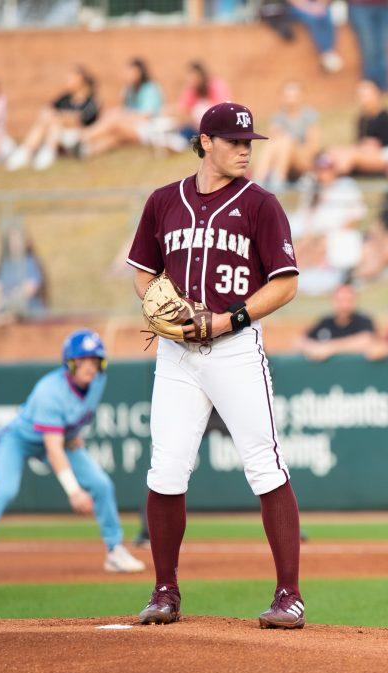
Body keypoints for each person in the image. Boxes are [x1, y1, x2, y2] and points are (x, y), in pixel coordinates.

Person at [126, 102, 305, 629]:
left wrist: (232, 319)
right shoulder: (164, 201)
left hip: (234, 350)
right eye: (233, 141)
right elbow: (142, 272)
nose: (245, 149)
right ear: (205, 142)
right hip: (178, 355)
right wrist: (160, 303)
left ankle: (289, 594)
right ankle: (164, 590)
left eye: (249, 142)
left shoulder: (261, 205)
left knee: (264, 463)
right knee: (166, 467)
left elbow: (287, 282)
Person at [0, 330, 145, 581]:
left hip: (62, 438)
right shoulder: (49, 392)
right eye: (83, 360)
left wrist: (72, 432)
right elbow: (53, 450)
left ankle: (115, 550)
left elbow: (74, 419)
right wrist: (73, 491)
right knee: (5, 490)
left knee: (101, 484)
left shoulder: (98, 381)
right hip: (19, 440)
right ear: (70, 362)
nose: (90, 366)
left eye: (95, 360)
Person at [6, 65, 99, 171]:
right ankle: (30, 151)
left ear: (81, 80)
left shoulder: (91, 101)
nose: (67, 81)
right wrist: (57, 117)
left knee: (54, 121)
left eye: (71, 79)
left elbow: (79, 120)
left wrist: (59, 117)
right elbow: (46, 111)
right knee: (49, 122)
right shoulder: (65, 98)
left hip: (77, 138)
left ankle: (28, 153)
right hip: (56, 132)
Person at [79, 58, 165, 159]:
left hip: (148, 129)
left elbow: (146, 116)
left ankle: (81, 137)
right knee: (114, 139)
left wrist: (123, 115)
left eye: (131, 72)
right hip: (133, 126)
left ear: (140, 72)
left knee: (114, 121)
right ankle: (85, 151)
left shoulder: (150, 89)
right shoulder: (130, 90)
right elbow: (125, 109)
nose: (128, 75)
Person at [254, 81, 321, 191]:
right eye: (287, 96)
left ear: (301, 97)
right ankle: (259, 180)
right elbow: (273, 142)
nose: (291, 99)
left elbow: (313, 148)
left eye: (294, 96)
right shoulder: (278, 117)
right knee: (272, 142)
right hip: (282, 159)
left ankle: (275, 181)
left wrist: (290, 143)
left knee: (286, 140)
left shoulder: (309, 116)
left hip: (303, 160)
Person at [328, 80, 388, 177]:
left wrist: (371, 145)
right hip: (366, 152)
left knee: (352, 155)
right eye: (361, 96)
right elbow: (360, 141)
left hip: (386, 153)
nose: (363, 100)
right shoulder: (362, 119)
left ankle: (338, 176)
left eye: (366, 96)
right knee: (334, 151)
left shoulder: (385, 116)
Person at [300, 282, 376, 360]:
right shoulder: (325, 321)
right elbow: (302, 341)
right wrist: (314, 349)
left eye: (348, 300)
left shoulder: (363, 320)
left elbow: (366, 340)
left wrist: (330, 348)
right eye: (340, 300)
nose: (344, 305)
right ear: (333, 301)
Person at [0, 228, 46, 317]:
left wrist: (4, 302)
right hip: (5, 309)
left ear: (26, 242)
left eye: (18, 240)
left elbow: (29, 289)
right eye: (12, 240)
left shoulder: (31, 262)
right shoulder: (5, 264)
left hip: (27, 308)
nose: (15, 243)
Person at [288, 0, 344, 74]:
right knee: (313, 18)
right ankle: (326, 52)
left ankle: (328, 52)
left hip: (318, 6)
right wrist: (309, 7)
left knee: (327, 15)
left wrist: (320, 5)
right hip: (297, 8)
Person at [349, 0, 388, 92]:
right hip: (360, 6)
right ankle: (371, 88)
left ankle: (383, 86)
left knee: (383, 48)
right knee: (369, 48)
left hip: (384, 6)